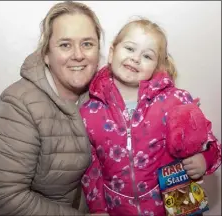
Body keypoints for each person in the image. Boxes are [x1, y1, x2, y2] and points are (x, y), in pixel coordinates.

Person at [80, 17, 221, 216]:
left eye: (147, 56)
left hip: (171, 205)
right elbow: (91, 169)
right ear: (112, 53)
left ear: (157, 66)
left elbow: (209, 142)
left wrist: (204, 158)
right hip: (117, 209)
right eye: (129, 49)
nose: (136, 58)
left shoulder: (175, 101)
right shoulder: (89, 112)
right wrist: (98, 208)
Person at [0, 1, 108, 216]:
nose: (78, 55)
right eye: (65, 45)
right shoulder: (19, 104)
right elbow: (4, 197)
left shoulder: (105, 95)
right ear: (46, 54)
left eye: (87, 44)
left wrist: (187, 157)